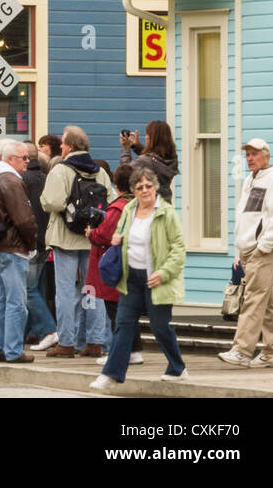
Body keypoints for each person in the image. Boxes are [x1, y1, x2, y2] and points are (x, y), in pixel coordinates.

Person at [90, 167, 187, 389]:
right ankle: (111, 375)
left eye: (148, 185)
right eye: (139, 186)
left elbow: (179, 248)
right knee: (123, 324)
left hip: (156, 278)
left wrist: (164, 273)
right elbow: (124, 237)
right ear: (133, 190)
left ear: (156, 187)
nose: (144, 190)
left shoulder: (167, 213)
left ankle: (178, 367)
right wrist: (117, 239)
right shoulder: (129, 210)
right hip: (131, 277)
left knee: (160, 326)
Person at [39, 125, 114, 358]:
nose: (60, 146)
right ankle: (94, 341)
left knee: (65, 292)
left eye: (62, 142)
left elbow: (51, 202)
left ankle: (67, 342)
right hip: (91, 237)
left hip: (65, 236)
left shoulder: (61, 170)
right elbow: (109, 202)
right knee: (92, 290)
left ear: (70, 146)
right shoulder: (100, 172)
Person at [219, 138, 273, 368]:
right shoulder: (250, 179)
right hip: (249, 249)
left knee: (252, 298)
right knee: (265, 300)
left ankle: (241, 349)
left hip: (263, 250)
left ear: (266, 156)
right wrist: (240, 250)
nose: (250, 158)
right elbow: (245, 217)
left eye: (255, 154)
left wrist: (264, 246)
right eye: (248, 154)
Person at [0, 139, 37, 364]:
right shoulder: (12, 181)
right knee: (16, 303)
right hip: (13, 247)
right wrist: (33, 244)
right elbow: (23, 219)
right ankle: (14, 350)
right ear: (11, 159)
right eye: (23, 158)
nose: (27, 161)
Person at [88, 164, 143, 366]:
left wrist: (90, 233)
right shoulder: (139, 205)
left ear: (117, 185)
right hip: (133, 261)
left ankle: (122, 352)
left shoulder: (118, 207)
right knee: (127, 308)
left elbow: (104, 234)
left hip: (113, 265)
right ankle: (134, 350)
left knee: (116, 311)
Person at [21, 142, 58, 349]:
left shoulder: (20, 180)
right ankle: (33, 330)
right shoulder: (47, 179)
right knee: (38, 288)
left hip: (29, 242)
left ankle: (48, 329)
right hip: (45, 241)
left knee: (28, 289)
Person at [119, 121, 179, 204]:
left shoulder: (145, 161)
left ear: (152, 138)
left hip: (149, 207)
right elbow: (154, 159)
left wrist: (126, 148)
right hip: (166, 203)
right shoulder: (172, 158)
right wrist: (137, 146)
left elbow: (124, 172)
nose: (146, 137)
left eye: (148, 134)